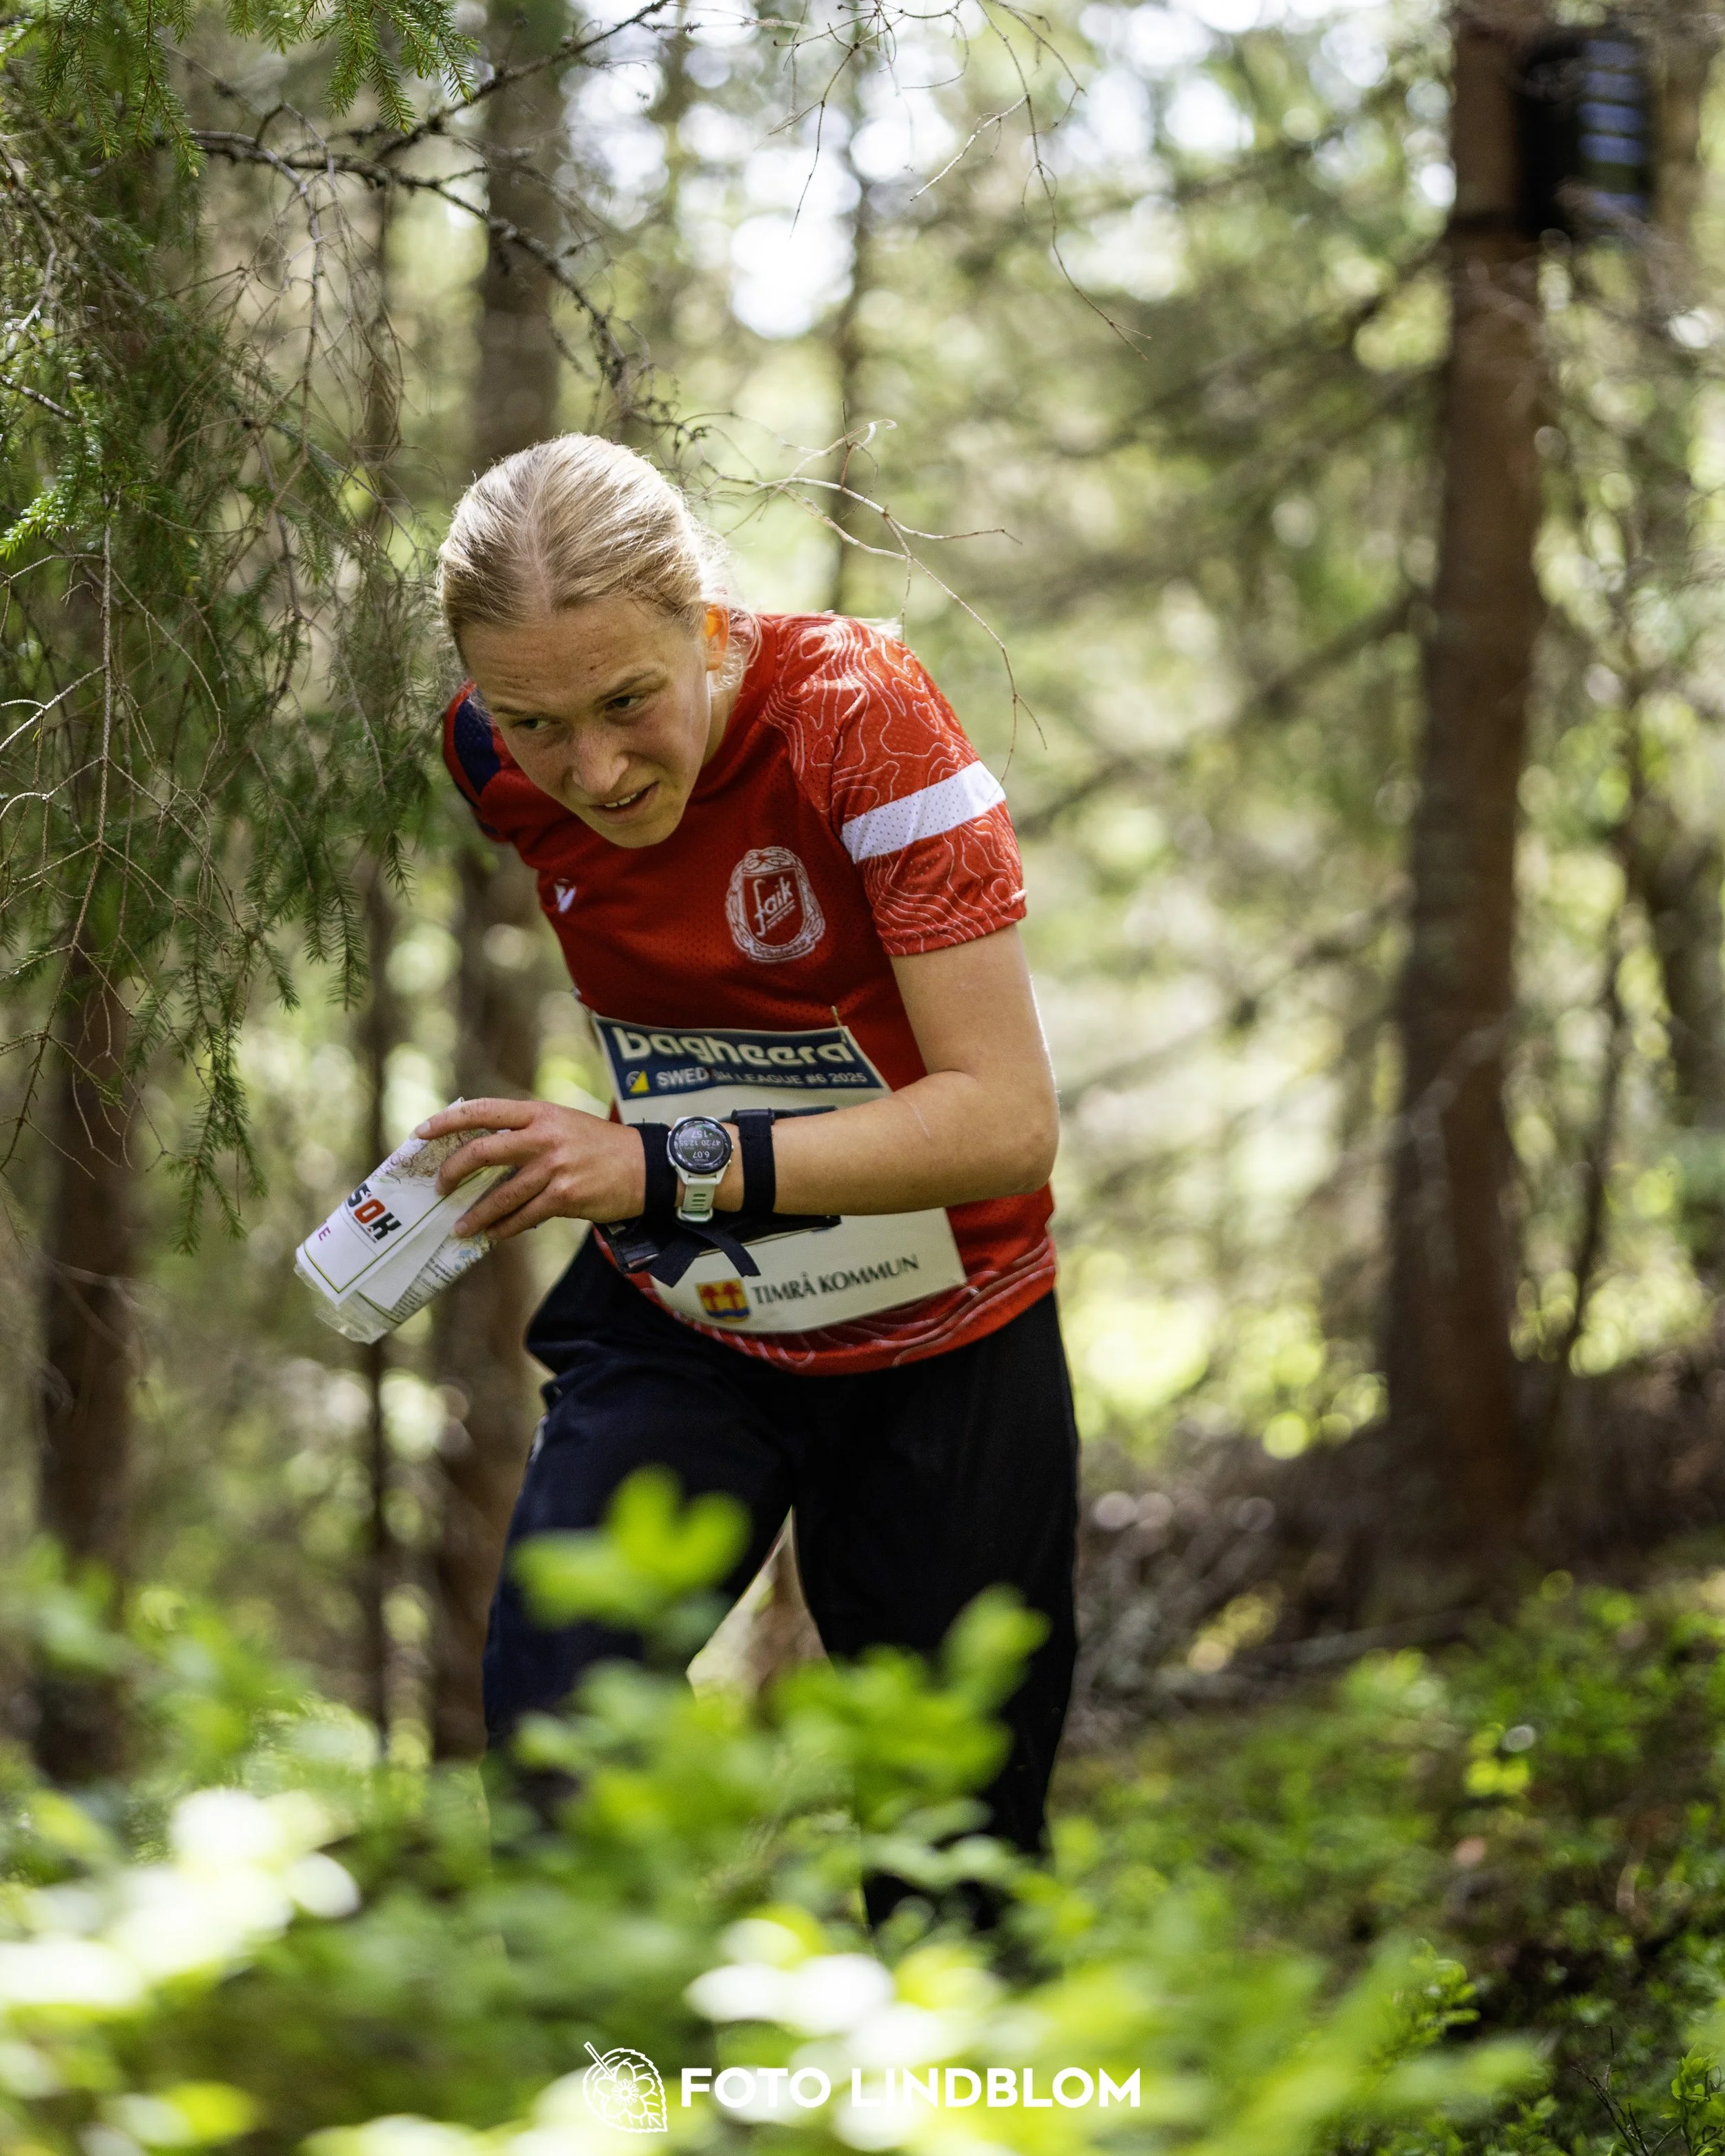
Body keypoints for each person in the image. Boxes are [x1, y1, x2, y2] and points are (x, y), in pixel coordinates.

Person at [422, 434, 1077, 1911]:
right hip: (693, 1317)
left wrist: (651, 1157)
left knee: (950, 1851)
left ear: (713, 631)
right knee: (555, 1744)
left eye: (628, 701)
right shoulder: (485, 753)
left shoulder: (857, 719)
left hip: (943, 1343)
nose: (589, 769)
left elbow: (1003, 1119)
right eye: (534, 721)